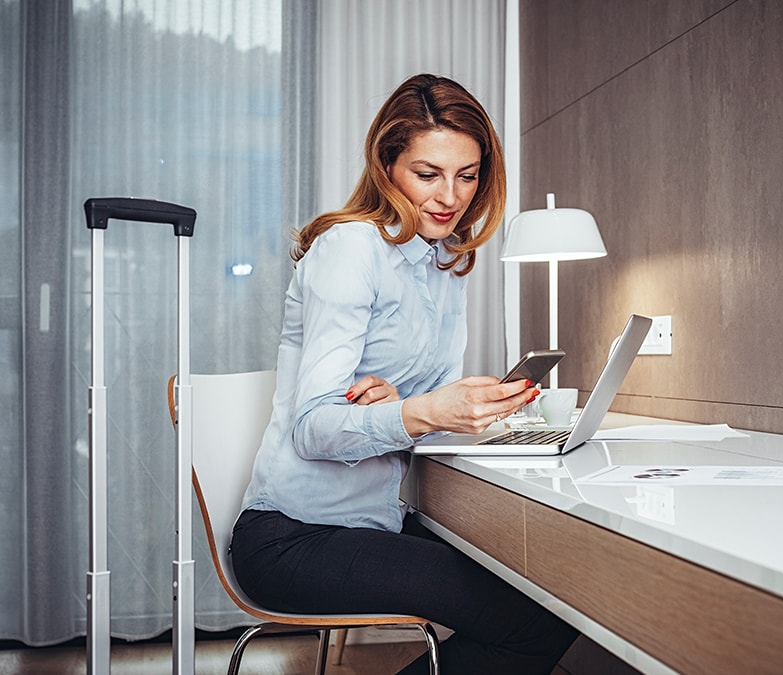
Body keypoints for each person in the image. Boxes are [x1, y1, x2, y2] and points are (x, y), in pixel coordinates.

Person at [231, 73, 578, 674]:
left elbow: (410, 416)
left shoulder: (445, 264)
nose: (451, 196)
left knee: (549, 602)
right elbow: (312, 429)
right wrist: (423, 410)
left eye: (467, 175)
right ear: (387, 165)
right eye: (428, 174)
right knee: (531, 623)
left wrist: (408, 404)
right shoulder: (351, 248)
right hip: (291, 536)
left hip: (375, 522)